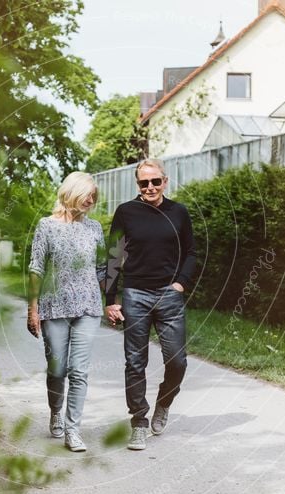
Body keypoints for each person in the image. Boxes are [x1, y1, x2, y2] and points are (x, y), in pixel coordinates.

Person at [104, 159, 196, 451]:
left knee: (177, 361)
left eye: (156, 181)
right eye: (144, 183)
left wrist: (180, 283)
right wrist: (110, 299)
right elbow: (113, 256)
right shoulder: (126, 212)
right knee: (135, 362)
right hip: (135, 294)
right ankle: (139, 422)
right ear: (138, 185)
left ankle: (164, 401)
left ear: (165, 182)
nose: (150, 187)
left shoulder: (178, 212)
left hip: (169, 296)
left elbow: (191, 252)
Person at [28, 171, 106, 452]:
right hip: (54, 306)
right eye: (87, 194)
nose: (91, 200)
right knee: (58, 369)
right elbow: (36, 267)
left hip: (88, 307)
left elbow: (102, 270)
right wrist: (32, 309)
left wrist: (112, 301)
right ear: (71, 192)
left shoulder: (95, 228)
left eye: (93, 196)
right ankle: (55, 411)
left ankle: (73, 431)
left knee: (79, 371)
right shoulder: (46, 226)